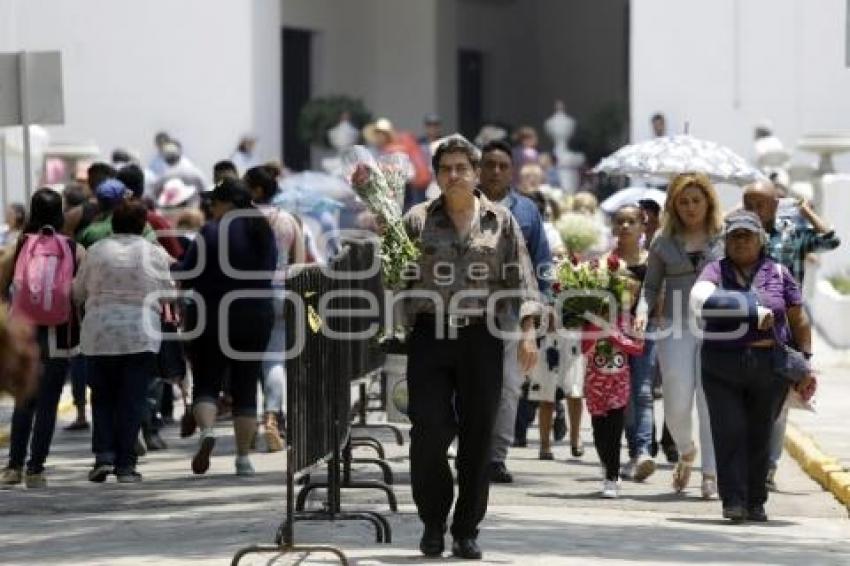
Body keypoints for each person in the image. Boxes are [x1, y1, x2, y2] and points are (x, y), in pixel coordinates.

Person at [401, 136, 541, 559]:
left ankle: (466, 530)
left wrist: (529, 331)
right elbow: (395, 280)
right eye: (446, 169)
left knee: (479, 435)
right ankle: (432, 520)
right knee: (429, 429)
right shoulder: (416, 220)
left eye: (462, 168)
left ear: (476, 173)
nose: (454, 175)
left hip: (482, 336)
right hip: (429, 334)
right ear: (437, 175)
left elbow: (523, 280)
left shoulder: (501, 222)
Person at [690, 209, 814, 522]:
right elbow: (699, 300)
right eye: (734, 236)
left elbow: (798, 319)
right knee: (729, 430)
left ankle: (756, 500)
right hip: (721, 365)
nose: (741, 241)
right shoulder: (714, 271)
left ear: (761, 239)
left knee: (760, 434)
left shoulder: (780, 273)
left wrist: (805, 364)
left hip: (768, 366)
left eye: (747, 235)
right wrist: (751, 311)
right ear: (725, 241)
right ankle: (733, 500)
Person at [174, 178, 276, 477]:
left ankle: (207, 431)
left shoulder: (210, 232)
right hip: (255, 315)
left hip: (212, 316)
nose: (211, 208)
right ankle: (243, 459)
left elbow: (189, 275)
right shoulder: (263, 231)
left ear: (227, 203)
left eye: (214, 202)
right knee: (246, 387)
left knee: (206, 382)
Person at [742, 180, 840, 491]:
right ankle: (747, 461)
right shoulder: (739, 233)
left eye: (762, 204)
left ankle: (767, 467)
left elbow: (831, 240)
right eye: (750, 204)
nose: (756, 211)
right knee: (745, 398)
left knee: (778, 401)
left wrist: (806, 210)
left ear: (776, 204)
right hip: (745, 324)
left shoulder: (791, 232)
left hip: (786, 326)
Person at [636, 172, 724, 499]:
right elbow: (650, 286)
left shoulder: (725, 237)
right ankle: (687, 450)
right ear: (673, 205)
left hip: (718, 327)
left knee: (709, 399)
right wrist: (643, 312)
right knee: (675, 396)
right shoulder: (662, 240)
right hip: (674, 325)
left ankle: (711, 475)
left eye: (696, 201)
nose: (690, 208)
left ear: (708, 202)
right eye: (683, 202)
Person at [73, 199, 174, 483]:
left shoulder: (95, 251)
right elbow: (168, 292)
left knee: (102, 397)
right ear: (143, 225)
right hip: (140, 336)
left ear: (113, 224)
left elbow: (77, 292)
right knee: (131, 400)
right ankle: (126, 466)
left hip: (99, 334)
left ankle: (103, 456)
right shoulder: (153, 253)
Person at [477, 139, 552, 484]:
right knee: (471, 384)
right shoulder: (463, 207)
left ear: (512, 171)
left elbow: (542, 264)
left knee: (509, 385)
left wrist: (543, 307)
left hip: (513, 311)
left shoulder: (526, 212)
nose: (495, 171)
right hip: (468, 309)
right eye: (489, 164)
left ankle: (496, 457)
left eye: (502, 166)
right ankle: (471, 450)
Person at [0, 188, 85, 488]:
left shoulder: (20, 244)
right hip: (60, 336)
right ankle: (36, 470)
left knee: (24, 401)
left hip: (24, 334)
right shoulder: (73, 248)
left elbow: (2, 281)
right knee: (48, 405)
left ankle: (13, 468)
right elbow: (81, 293)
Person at [243, 166, 304, 452]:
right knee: (275, 359)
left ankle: (254, 419)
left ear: (256, 189)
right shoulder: (288, 220)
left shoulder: (240, 220)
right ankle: (271, 416)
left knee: (247, 360)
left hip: (243, 295)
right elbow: (299, 263)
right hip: (280, 292)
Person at [581, 259, 644, 498]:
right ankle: (607, 464)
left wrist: (614, 336)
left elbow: (638, 348)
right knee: (599, 433)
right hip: (595, 383)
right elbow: (583, 347)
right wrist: (597, 329)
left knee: (615, 430)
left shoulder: (625, 320)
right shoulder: (590, 321)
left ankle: (612, 477)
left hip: (619, 383)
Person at [608, 205, 657, 482]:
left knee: (643, 391)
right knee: (622, 394)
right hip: (612, 335)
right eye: (620, 221)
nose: (626, 226)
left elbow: (660, 300)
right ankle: (630, 453)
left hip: (646, 332)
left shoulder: (652, 262)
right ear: (614, 227)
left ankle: (642, 451)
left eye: (632, 221)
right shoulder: (606, 262)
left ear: (642, 227)